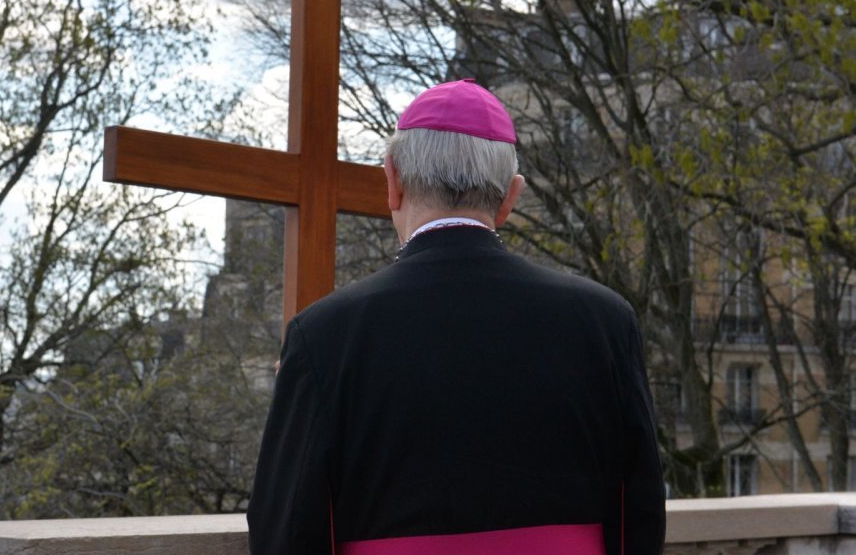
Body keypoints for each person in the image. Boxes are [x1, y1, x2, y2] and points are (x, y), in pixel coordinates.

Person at [247, 79, 665, 555]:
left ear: (393, 180)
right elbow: (641, 513)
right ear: (510, 196)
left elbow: (286, 529)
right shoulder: (607, 323)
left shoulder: (322, 335)